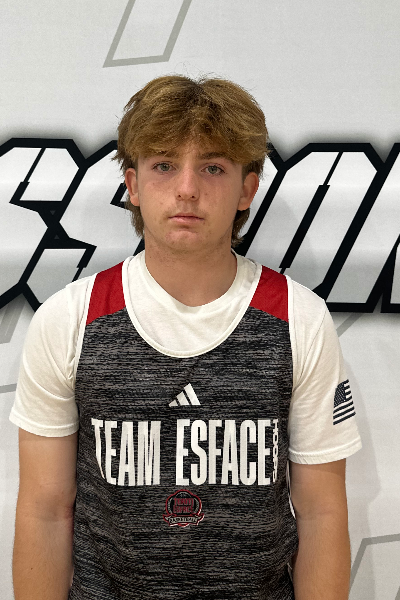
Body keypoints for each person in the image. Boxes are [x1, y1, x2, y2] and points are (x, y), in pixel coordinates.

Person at [10, 74, 362, 600]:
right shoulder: (69, 319)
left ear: (247, 189)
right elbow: (44, 510)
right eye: (164, 165)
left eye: (213, 167)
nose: (187, 189)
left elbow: (322, 512)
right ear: (132, 185)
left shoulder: (299, 318)